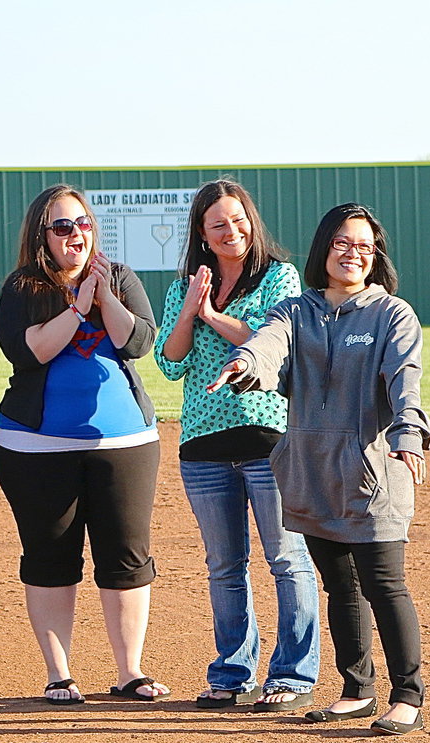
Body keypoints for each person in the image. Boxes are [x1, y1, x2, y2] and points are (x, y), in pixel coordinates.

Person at [211, 203, 430, 734]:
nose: (353, 254)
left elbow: (406, 378)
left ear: (375, 255)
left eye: (363, 246)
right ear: (324, 250)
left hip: (372, 474)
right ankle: (357, 688)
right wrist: (246, 364)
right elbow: (269, 345)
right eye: (342, 243)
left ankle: (409, 694)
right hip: (311, 473)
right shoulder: (296, 310)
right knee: (339, 585)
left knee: (384, 584)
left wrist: (409, 433)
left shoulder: (392, 315)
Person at [0, 184, 168, 704]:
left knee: (126, 555)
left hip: (126, 443)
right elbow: (29, 353)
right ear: (41, 236)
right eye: (63, 227)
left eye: (84, 224)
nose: (77, 234)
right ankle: (59, 673)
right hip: (36, 446)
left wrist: (105, 296)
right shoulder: (23, 287)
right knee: (50, 556)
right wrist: (77, 308)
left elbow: (137, 342)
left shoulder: (119, 277)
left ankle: (129, 670)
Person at [155, 179, 319, 712]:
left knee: (287, 558)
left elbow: (266, 339)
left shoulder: (280, 277)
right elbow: (169, 361)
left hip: (266, 438)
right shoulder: (185, 287)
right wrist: (189, 311)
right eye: (219, 224)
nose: (233, 231)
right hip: (203, 443)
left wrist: (211, 316)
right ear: (201, 234)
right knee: (225, 565)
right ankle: (232, 671)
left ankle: (293, 674)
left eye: (239, 219)